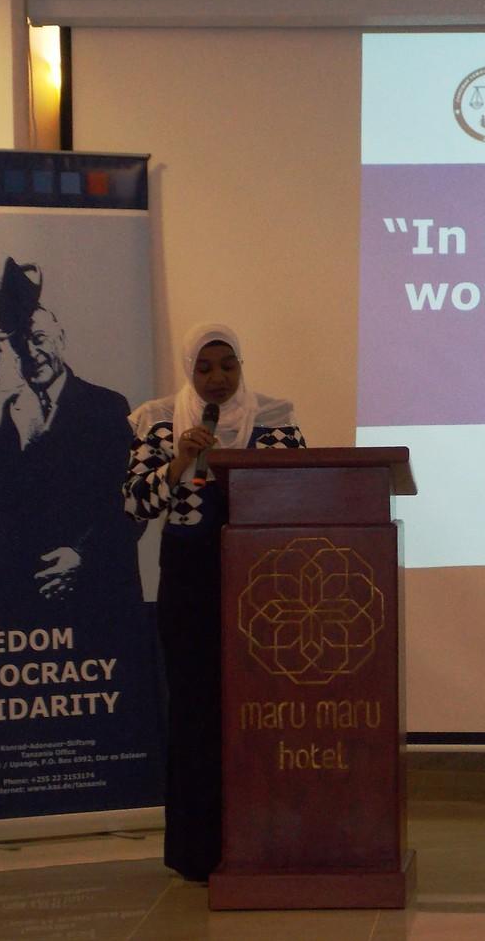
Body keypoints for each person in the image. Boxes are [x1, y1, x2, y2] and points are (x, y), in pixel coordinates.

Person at [124, 322, 305, 883]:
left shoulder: (274, 419)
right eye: (204, 368)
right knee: (195, 709)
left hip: (262, 581)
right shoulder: (159, 421)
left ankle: (267, 838)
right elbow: (136, 504)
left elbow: (299, 491)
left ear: (241, 367)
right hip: (189, 581)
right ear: (189, 371)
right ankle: (199, 852)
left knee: (261, 706)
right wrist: (179, 461)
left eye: (228, 365)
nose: (217, 378)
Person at [0, 256, 141, 619]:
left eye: (39, 340)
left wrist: (82, 555)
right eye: (20, 345)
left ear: (61, 339)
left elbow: (127, 500)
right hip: (17, 603)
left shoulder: (107, 407)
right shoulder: (1, 408)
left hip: (91, 597)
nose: (31, 353)